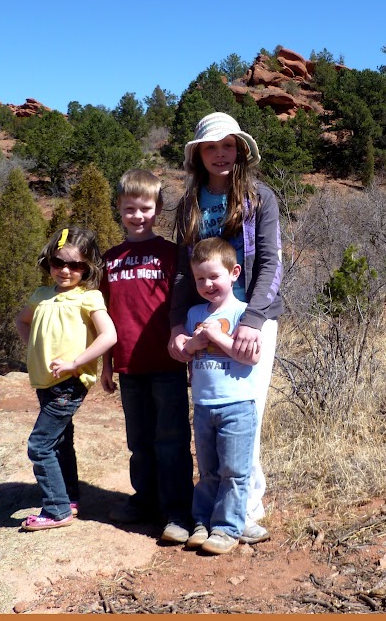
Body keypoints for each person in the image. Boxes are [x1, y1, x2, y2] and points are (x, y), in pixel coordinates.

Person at [169, 112, 282, 536]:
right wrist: (176, 325)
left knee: (248, 410)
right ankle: (219, 511)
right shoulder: (190, 204)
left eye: (228, 145)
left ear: (240, 151)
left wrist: (252, 319)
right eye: (212, 147)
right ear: (198, 154)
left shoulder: (259, 198)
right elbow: (183, 271)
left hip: (252, 317)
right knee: (214, 411)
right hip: (202, 318)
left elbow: (271, 262)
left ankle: (245, 511)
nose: (221, 154)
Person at [99, 169, 194, 544]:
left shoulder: (172, 254)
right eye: (129, 209)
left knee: (170, 439)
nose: (137, 216)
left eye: (145, 208)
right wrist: (106, 365)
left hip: (167, 362)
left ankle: (177, 511)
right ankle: (145, 500)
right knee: (138, 440)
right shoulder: (110, 259)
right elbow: (103, 313)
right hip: (129, 366)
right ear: (119, 210)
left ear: (157, 210)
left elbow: (184, 306)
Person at [15, 226, 116, 530]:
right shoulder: (42, 296)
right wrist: (35, 348)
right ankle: (68, 496)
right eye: (59, 263)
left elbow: (109, 335)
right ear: (49, 262)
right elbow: (22, 320)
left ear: (88, 268)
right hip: (46, 381)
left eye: (76, 265)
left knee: (40, 445)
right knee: (59, 441)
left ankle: (57, 509)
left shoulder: (89, 298)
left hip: (69, 383)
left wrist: (76, 362)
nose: (66, 271)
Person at [179, 236, 260, 554]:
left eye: (214, 276)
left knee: (234, 472)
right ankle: (203, 522)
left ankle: (228, 528)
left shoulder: (245, 314)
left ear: (234, 272)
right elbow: (185, 354)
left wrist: (216, 337)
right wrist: (192, 344)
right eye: (200, 278)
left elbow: (251, 357)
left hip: (237, 405)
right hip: (203, 405)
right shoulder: (194, 312)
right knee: (209, 470)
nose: (207, 284)